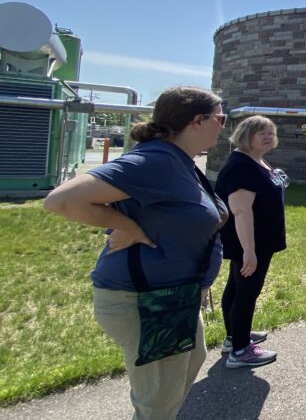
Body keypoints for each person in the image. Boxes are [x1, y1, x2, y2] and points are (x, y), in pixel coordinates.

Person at [43, 86, 228, 420]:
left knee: (188, 365)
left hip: (174, 295)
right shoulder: (154, 160)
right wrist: (125, 226)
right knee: (158, 402)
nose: (223, 126)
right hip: (144, 300)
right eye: (221, 119)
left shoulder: (180, 162)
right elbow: (61, 201)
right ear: (198, 121)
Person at [215, 115, 287, 369]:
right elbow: (241, 211)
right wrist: (249, 251)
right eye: (261, 133)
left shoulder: (255, 160)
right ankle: (241, 351)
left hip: (259, 241)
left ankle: (236, 336)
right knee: (247, 292)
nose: (268, 136)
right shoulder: (242, 166)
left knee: (236, 289)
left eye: (270, 132)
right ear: (246, 136)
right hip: (250, 242)